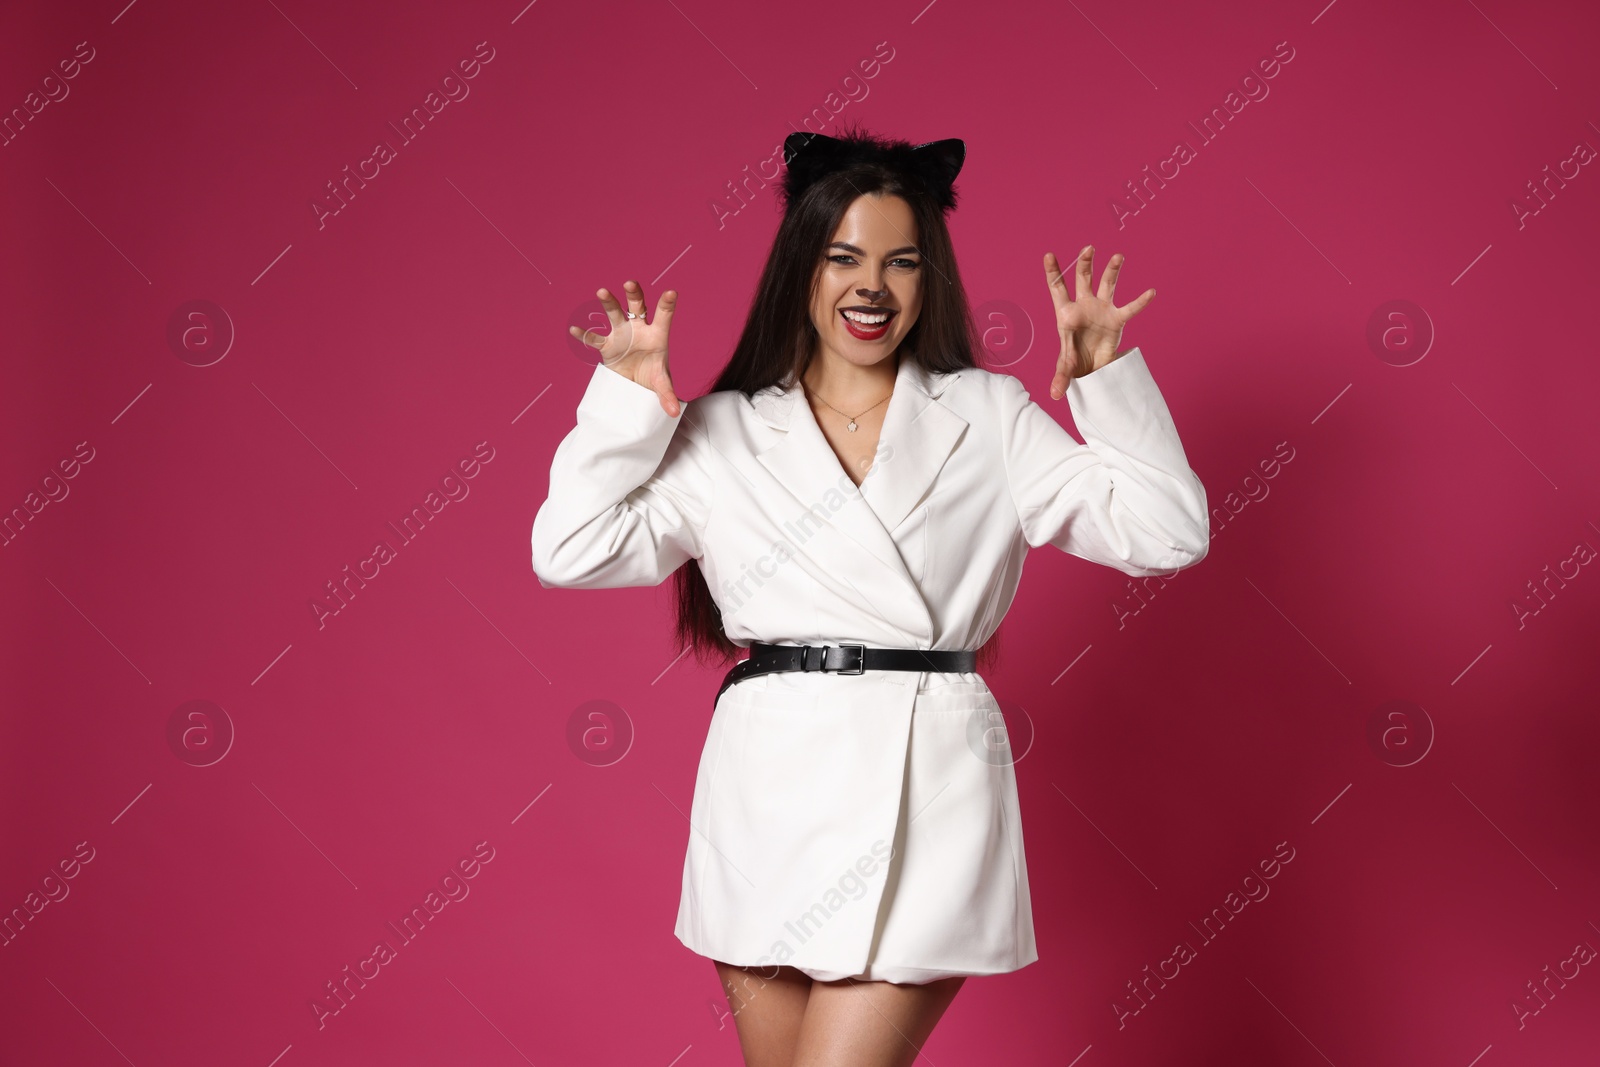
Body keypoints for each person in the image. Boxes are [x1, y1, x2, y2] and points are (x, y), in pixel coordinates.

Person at [531, 122, 1210, 1067]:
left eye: (902, 261)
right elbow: (568, 548)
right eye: (844, 256)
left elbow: (1168, 532)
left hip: (928, 786)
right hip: (766, 799)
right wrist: (626, 408)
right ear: (801, 268)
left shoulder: (987, 414)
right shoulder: (723, 430)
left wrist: (1102, 378)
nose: (872, 286)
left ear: (929, 280)